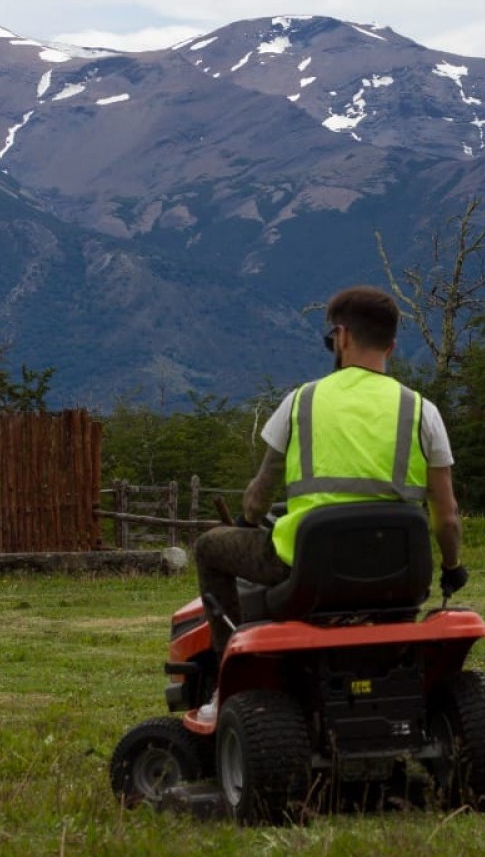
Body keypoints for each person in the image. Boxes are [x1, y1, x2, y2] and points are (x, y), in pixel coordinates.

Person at [192, 285, 465, 666]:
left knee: (209, 547)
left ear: (343, 336)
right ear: (390, 346)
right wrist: (453, 568)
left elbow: (259, 496)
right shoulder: (422, 411)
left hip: (308, 566)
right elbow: (447, 515)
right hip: (398, 569)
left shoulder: (301, 402)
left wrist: (248, 521)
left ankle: (228, 666)